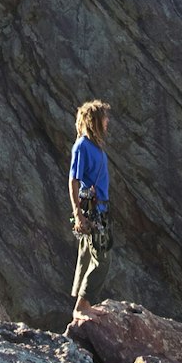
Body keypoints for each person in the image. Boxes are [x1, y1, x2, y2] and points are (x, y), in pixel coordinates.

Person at [67, 99, 114, 320]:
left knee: (87, 256)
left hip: (99, 207)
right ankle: (83, 305)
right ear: (94, 120)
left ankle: (80, 305)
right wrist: (78, 213)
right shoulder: (83, 146)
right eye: (104, 118)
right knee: (103, 259)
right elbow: (73, 181)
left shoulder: (95, 146)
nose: (107, 122)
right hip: (93, 210)